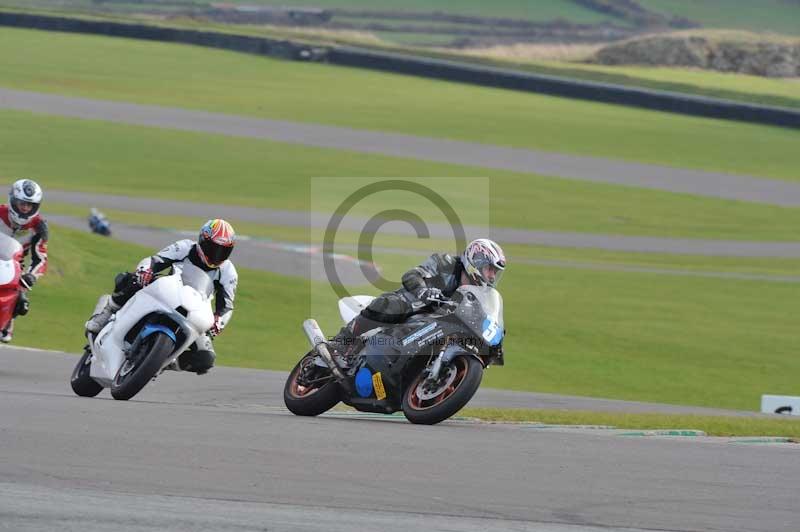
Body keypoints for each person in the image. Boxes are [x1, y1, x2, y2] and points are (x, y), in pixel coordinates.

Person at [85, 219, 238, 375]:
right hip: (169, 290)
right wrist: (145, 270)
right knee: (131, 279)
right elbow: (154, 260)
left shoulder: (228, 272)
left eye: (223, 251)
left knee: (206, 358)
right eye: (212, 248)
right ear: (202, 241)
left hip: (195, 309)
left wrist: (219, 322)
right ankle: (108, 311)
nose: (216, 255)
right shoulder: (185, 247)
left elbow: (226, 306)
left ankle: (165, 361)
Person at [333, 238, 506, 359]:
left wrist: (494, 342)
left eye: (495, 272)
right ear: (476, 261)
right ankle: (342, 340)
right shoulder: (445, 263)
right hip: (414, 306)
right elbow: (412, 275)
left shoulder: (479, 295)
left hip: (438, 326)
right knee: (392, 306)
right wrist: (424, 291)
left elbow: (483, 318)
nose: (492, 276)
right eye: (490, 269)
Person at [0, 179, 48, 343]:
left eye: (30, 205)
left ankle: (5, 323)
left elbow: (40, 257)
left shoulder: (39, 227)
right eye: (22, 203)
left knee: (21, 303)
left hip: (13, 268)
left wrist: (31, 276)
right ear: (13, 200)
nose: (26, 208)